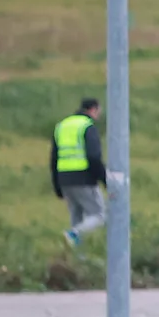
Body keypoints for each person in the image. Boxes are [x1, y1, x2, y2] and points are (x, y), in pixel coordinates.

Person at [52, 98, 107, 246]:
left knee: (77, 218)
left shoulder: (62, 126)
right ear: (93, 110)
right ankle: (73, 234)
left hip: (64, 179)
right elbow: (93, 157)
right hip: (84, 179)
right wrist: (105, 179)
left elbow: (54, 158)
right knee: (99, 215)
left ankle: (77, 255)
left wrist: (57, 186)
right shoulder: (87, 127)